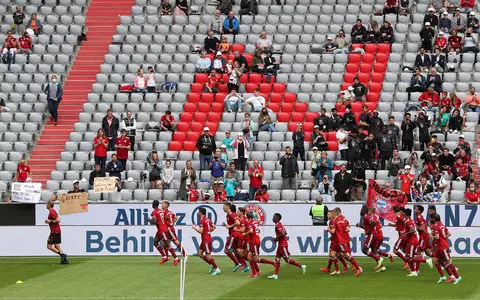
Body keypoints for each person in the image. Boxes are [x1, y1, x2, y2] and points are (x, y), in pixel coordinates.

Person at [267, 213, 307, 280]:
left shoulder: (278, 225)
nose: (272, 218)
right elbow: (285, 232)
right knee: (277, 259)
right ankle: (275, 275)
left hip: (283, 245)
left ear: (277, 218)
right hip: (280, 245)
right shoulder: (279, 224)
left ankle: (302, 266)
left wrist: (276, 239)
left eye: (274, 217)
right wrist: (277, 239)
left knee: (287, 260)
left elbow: (283, 233)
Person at [326, 208, 362, 276]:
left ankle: (358, 268)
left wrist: (328, 230)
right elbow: (346, 227)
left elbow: (333, 231)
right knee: (332, 255)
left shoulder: (335, 221)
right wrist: (347, 229)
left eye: (332, 213)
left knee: (347, 255)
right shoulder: (342, 220)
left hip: (340, 241)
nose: (331, 215)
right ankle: (338, 270)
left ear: (335, 214)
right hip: (338, 240)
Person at [429, 213, 462, 284]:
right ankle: (442, 276)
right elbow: (449, 233)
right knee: (435, 260)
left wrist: (431, 236)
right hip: (440, 246)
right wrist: (443, 238)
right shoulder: (442, 225)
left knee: (447, 262)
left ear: (434, 219)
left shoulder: (436, 226)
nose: (430, 219)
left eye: (431, 218)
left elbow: (437, 237)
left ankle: (457, 277)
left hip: (442, 247)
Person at [357, 207, 390, 271]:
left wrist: (368, 231)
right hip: (374, 235)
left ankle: (378, 259)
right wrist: (361, 226)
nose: (360, 211)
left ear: (363, 210)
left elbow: (373, 223)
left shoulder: (366, 216)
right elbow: (369, 225)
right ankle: (382, 267)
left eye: (361, 210)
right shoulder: (366, 217)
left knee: (364, 250)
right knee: (374, 251)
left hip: (372, 235)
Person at [148, 200, 180, 266]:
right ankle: (164, 257)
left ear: (153, 205)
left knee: (167, 244)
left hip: (163, 230)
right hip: (160, 230)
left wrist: (149, 220)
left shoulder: (154, 211)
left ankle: (176, 258)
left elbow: (155, 222)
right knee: (155, 242)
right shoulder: (160, 211)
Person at [192, 207, 221, 275]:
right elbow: (214, 226)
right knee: (200, 253)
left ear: (201, 213)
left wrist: (194, 228)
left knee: (208, 255)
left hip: (206, 240)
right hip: (205, 239)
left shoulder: (202, 221)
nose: (198, 213)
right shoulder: (207, 219)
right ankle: (211, 264)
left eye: (199, 212)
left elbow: (201, 231)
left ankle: (217, 269)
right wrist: (208, 232)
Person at [243, 211, 266, 278]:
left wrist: (245, 234)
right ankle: (255, 272)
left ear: (247, 217)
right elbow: (259, 219)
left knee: (255, 259)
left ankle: (272, 263)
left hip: (255, 241)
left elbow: (251, 231)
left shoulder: (249, 223)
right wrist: (256, 211)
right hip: (256, 240)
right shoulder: (255, 221)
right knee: (249, 257)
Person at [222, 203, 243, 270]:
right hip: (234, 234)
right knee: (236, 251)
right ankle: (244, 264)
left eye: (224, 206)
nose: (223, 208)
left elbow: (238, 223)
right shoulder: (229, 215)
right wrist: (226, 225)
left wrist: (230, 226)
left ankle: (238, 263)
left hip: (234, 235)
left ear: (228, 207)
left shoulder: (231, 214)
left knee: (226, 250)